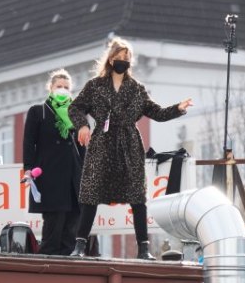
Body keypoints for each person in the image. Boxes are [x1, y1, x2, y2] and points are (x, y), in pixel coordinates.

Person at [67, 38, 192, 260]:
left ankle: (143, 249)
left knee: (137, 197)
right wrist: (83, 125)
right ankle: (79, 246)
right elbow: (75, 107)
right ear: (111, 58)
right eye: (119, 57)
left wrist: (178, 109)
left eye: (127, 58)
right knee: (90, 194)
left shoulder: (136, 89)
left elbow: (157, 112)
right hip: (102, 144)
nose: (123, 61)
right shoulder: (95, 86)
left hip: (129, 145)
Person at [23, 68, 83, 255]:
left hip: (73, 173)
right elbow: (28, 142)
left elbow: (83, 146)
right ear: (50, 88)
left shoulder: (77, 115)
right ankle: (48, 260)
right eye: (59, 86)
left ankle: (68, 261)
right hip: (49, 173)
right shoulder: (38, 112)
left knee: (72, 221)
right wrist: (28, 168)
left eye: (66, 87)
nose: (62, 90)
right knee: (54, 222)